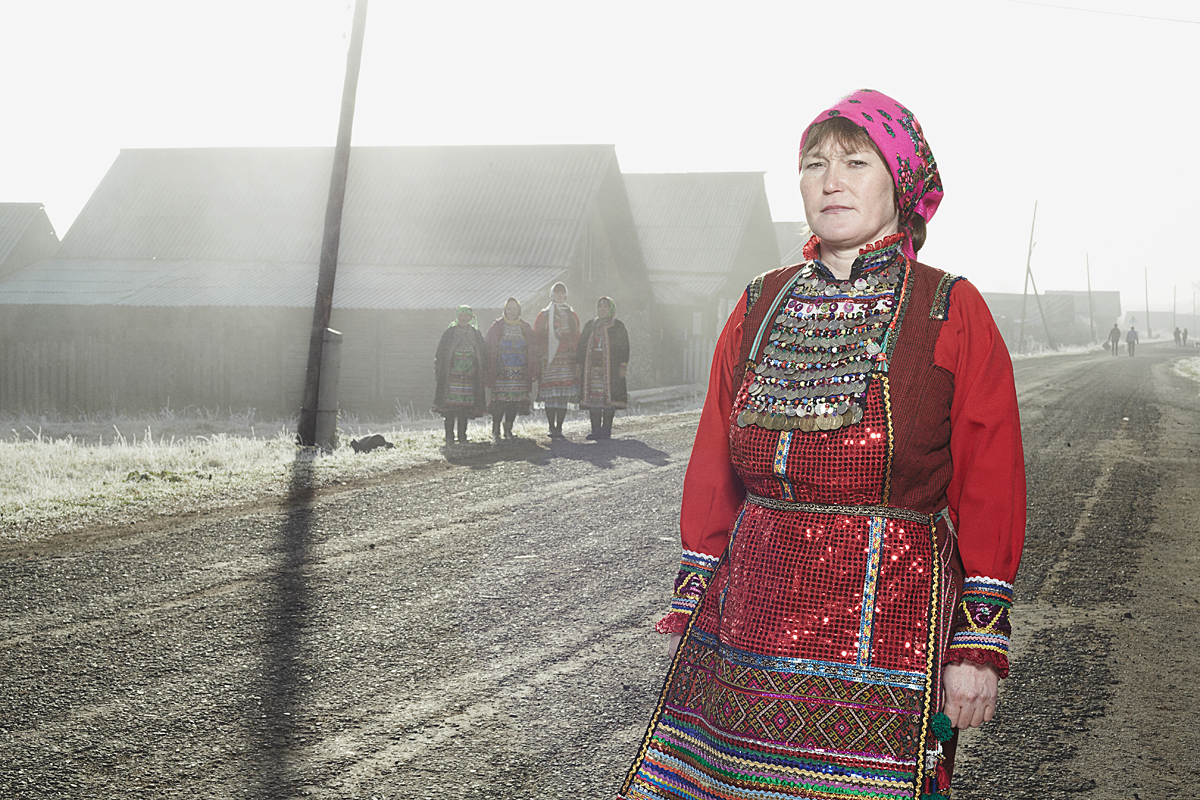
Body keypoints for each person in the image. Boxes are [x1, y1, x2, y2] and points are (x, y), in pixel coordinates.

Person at [619, 89, 1026, 800]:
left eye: (854, 161)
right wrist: (694, 595)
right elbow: (715, 464)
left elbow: (993, 482)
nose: (830, 179)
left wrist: (976, 645)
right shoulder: (758, 303)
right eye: (813, 164)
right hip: (745, 633)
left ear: (900, 183)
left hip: (890, 637)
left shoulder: (950, 309)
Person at [432, 305, 487, 445]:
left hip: (469, 377)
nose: (463, 318)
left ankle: (462, 435)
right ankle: (449, 436)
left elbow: (483, 353)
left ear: (470, 317)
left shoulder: (475, 333)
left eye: (466, 315)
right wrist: (439, 369)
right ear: (457, 316)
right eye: (461, 315)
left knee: (464, 407)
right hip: (451, 378)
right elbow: (440, 352)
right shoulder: (449, 333)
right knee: (450, 407)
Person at [577, 296, 630, 440]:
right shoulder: (590, 325)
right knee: (594, 399)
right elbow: (582, 345)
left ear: (611, 309)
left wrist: (623, 366)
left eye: (605, 307)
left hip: (611, 370)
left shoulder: (618, 326)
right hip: (592, 369)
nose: (602, 309)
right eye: (600, 306)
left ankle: (606, 431)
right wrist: (579, 364)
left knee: (608, 399)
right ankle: (595, 430)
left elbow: (625, 347)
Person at [484, 297, 536, 441]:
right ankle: (495, 430)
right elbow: (488, 344)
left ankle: (508, 430)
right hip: (501, 372)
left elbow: (533, 347)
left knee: (514, 401)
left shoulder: (525, 326)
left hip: (519, 373)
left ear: (519, 310)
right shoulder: (497, 326)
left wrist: (532, 367)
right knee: (499, 401)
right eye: (509, 308)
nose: (512, 311)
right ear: (505, 310)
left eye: (514, 309)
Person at [534, 283, 580, 438]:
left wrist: (572, 349)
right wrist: (541, 353)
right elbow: (537, 335)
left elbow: (576, 335)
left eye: (562, 292)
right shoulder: (544, 314)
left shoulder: (572, 314)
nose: (559, 295)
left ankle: (559, 427)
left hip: (566, 358)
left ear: (566, 295)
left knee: (562, 393)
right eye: (556, 292)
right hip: (549, 358)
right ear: (551, 295)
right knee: (550, 393)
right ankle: (550, 426)